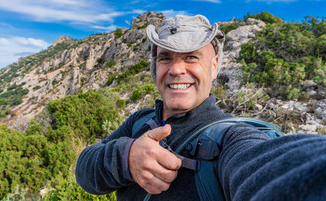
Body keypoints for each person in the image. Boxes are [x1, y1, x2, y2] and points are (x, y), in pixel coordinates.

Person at [76, 14, 326, 200]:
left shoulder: (230, 137)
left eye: (191, 57)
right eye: (165, 58)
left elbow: (268, 166)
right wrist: (126, 157)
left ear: (214, 66)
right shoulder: (139, 122)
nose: (175, 69)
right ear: (155, 67)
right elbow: (84, 171)